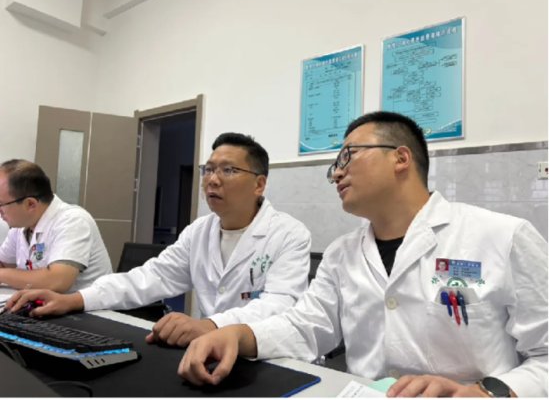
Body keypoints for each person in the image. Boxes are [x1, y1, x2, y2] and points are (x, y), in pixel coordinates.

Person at [176, 112, 549, 399]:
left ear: (400, 157)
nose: (337, 174)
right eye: (335, 166)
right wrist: (236, 334)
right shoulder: (343, 253)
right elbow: (307, 327)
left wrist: (488, 393)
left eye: (347, 156)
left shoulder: (502, 237)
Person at [7, 133, 312, 348]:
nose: (212, 179)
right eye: (208, 170)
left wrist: (209, 325)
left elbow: (280, 305)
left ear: (259, 184)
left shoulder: (289, 234)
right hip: (208, 348)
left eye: (228, 170)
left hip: (261, 353)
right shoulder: (199, 232)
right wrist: (73, 300)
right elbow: (149, 277)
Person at [0, 160, 112, 293]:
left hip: (84, 305)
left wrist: (2, 275)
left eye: (1, 204)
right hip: (38, 303)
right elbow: (3, 263)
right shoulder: (22, 225)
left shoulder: (73, 221)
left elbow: (57, 281)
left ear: (30, 204)